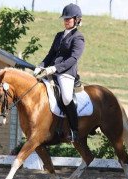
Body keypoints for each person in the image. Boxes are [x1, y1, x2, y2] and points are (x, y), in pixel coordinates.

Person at [33, 3, 85, 142]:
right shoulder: (59, 35)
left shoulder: (78, 37)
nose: (66, 21)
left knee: (67, 98)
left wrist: (55, 68)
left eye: (69, 18)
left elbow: (73, 58)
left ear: (77, 19)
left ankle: (74, 130)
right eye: (65, 19)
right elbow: (51, 54)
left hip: (66, 73)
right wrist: (40, 66)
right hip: (51, 71)